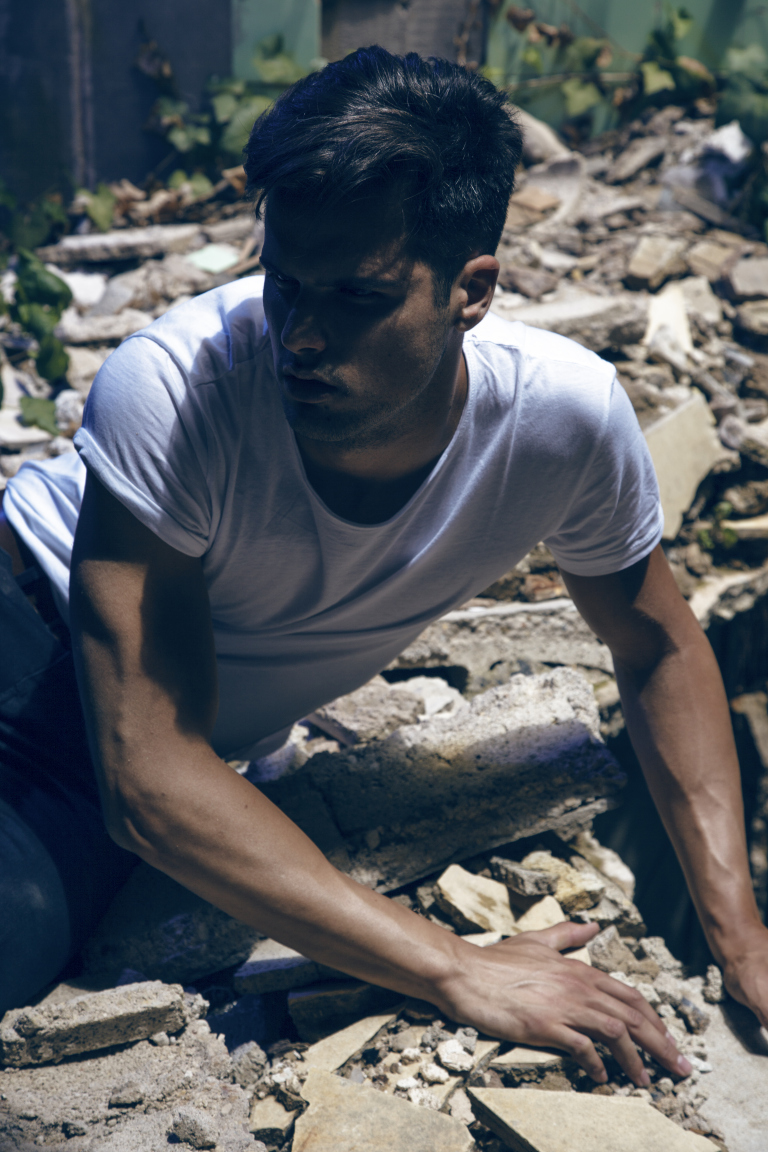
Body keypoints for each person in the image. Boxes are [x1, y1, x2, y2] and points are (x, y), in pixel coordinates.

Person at [1, 47, 766, 1086]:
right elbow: (149, 780)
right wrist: (457, 966)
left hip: (168, 734)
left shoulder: (563, 421)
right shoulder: (176, 389)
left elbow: (659, 645)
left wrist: (740, 936)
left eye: (357, 297)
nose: (300, 338)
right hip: (33, 654)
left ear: (471, 290)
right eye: (283, 284)